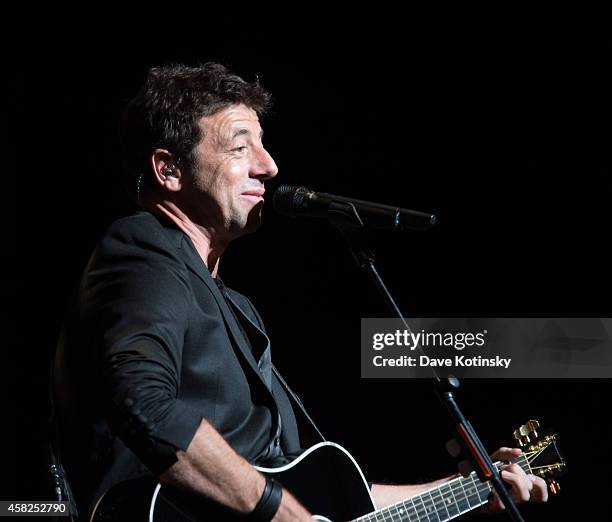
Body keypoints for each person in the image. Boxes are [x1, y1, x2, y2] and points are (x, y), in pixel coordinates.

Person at [53, 62, 548, 520]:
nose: (269, 166)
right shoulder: (142, 248)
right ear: (169, 170)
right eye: (240, 146)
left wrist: (469, 490)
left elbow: (326, 497)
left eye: (264, 146)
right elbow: (142, 402)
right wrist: (281, 513)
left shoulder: (236, 307)